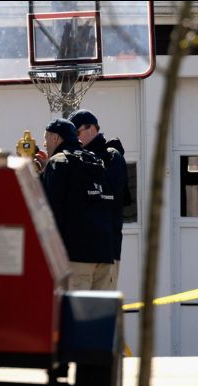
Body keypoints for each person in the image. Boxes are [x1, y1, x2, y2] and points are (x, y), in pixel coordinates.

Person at [40, 118, 116, 291]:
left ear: (55, 138)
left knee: (75, 315)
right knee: (98, 315)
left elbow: (51, 212)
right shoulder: (95, 161)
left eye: (45, 139)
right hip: (104, 253)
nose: (44, 144)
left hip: (76, 255)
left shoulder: (58, 163)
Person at [68, 109, 131, 288]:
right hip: (82, 250)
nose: (74, 139)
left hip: (107, 250)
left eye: (76, 133)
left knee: (102, 311)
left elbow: (107, 194)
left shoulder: (112, 156)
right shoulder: (76, 159)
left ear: (92, 129)